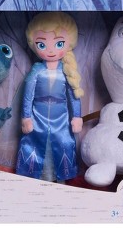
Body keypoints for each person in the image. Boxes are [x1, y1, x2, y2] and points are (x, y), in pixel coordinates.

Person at [16, 12, 84, 182]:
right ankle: (40, 178)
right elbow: (28, 95)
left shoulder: (67, 70)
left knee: (62, 143)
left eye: (59, 43)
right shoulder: (36, 70)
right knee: (37, 144)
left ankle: (60, 180)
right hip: (37, 116)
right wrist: (26, 117)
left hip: (61, 117)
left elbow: (74, 95)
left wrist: (77, 116)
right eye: (42, 44)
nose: (51, 50)